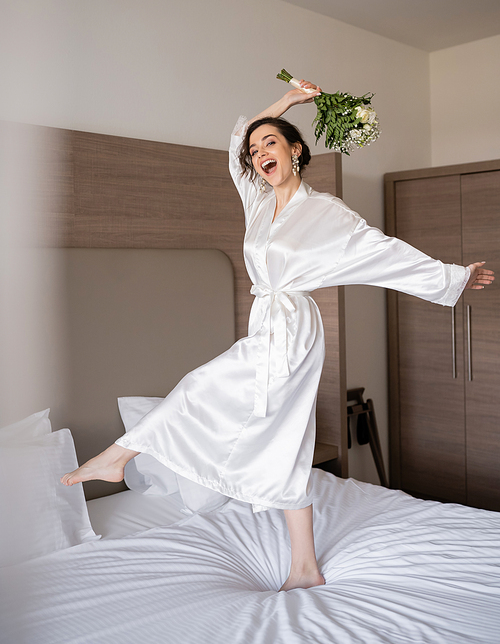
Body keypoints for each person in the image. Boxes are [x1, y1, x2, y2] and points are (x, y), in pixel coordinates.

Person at [62, 80, 494, 592]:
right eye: (256, 148)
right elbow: (234, 145)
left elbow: (383, 252)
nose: (259, 152)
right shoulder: (257, 202)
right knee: (286, 445)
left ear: (295, 150)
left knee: (201, 385)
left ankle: (120, 455)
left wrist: (451, 277)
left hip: (294, 330)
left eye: (272, 142)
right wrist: (287, 100)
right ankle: (305, 567)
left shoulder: (327, 212)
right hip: (265, 321)